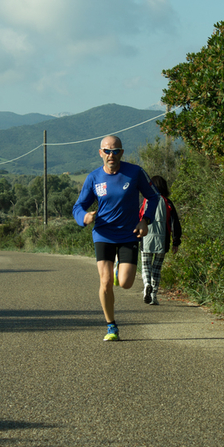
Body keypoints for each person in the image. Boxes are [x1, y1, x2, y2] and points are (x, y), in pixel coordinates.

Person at [72, 135, 160, 342]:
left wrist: (145, 220)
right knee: (105, 282)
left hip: (129, 233)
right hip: (103, 233)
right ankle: (111, 326)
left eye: (116, 151)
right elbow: (78, 206)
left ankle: (118, 268)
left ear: (121, 152)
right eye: (107, 151)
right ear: (100, 153)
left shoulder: (135, 173)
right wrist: (83, 218)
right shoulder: (93, 178)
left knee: (127, 283)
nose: (111, 155)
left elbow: (153, 197)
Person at [140, 175, 182, 306]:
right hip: (162, 240)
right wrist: (176, 241)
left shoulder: (144, 201)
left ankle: (147, 284)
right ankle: (153, 296)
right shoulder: (168, 203)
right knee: (156, 269)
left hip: (146, 238)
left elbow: (137, 217)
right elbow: (175, 223)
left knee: (146, 266)